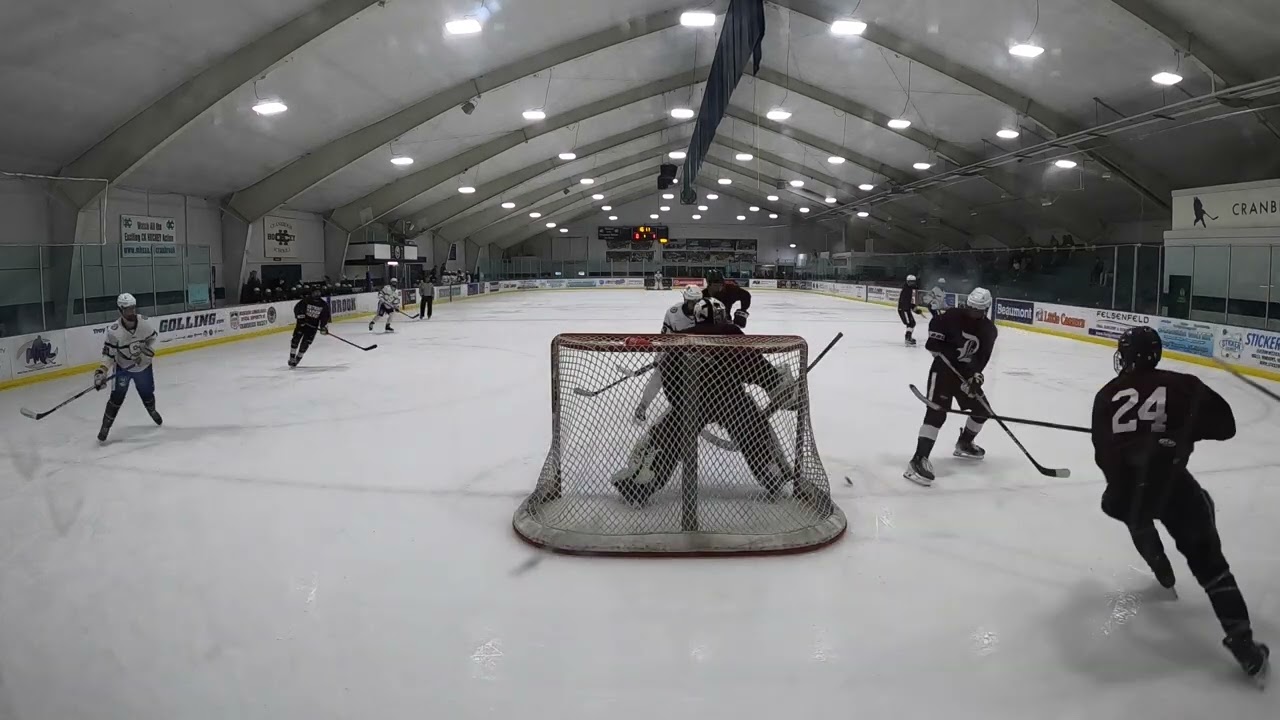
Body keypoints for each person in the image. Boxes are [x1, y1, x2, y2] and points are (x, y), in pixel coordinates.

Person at [1091, 326, 1269, 683]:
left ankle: (1161, 568)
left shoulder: (1107, 395)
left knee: (1133, 512)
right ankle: (1243, 644)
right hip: (1172, 485)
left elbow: (1103, 456)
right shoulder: (1184, 385)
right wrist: (1184, 430)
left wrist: (1129, 475)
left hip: (1127, 490)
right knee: (1211, 563)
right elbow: (1226, 426)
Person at [611, 297, 799, 506]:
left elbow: (669, 380)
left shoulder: (680, 338)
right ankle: (775, 476)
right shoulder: (731, 334)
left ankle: (639, 485)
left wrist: (681, 406)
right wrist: (777, 385)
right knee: (756, 433)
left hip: (692, 404)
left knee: (664, 438)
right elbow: (757, 369)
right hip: (731, 401)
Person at [904, 287, 996, 486]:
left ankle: (965, 443)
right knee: (937, 412)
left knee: (982, 410)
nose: (973, 313)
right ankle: (918, 460)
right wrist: (935, 343)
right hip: (944, 372)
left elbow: (981, 360)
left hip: (964, 376)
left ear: (986, 310)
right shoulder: (952, 316)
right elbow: (935, 330)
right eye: (971, 308)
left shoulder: (989, 330)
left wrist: (975, 378)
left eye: (977, 311)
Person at [94, 293, 161, 443]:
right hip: (123, 368)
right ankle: (105, 426)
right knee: (116, 398)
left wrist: (145, 352)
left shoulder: (145, 323)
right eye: (127, 310)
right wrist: (101, 371)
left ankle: (152, 410)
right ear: (120, 310)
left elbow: (153, 339)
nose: (131, 313)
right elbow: (108, 354)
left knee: (147, 394)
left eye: (133, 309)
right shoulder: (114, 331)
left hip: (143, 368)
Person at [634, 285, 702, 421]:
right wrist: (659, 357)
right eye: (691, 302)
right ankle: (642, 406)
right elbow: (664, 337)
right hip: (674, 353)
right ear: (685, 299)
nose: (694, 306)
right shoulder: (673, 313)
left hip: (697, 354)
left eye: (697, 302)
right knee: (658, 376)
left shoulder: (704, 312)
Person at [289, 287, 332, 368]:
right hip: (302, 324)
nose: (317, 294)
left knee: (305, 343)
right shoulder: (306, 300)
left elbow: (325, 317)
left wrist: (323, 326)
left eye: (318, 292)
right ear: (312, 293)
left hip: (312, 327)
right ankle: (292, 357)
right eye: (315, 292)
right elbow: (297, 308)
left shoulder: (323, 304)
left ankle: (298, 359)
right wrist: (300, 317)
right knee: (295, 340)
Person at [898, 274, 922, 345]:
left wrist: (913, 307)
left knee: (912, 323)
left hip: (906, 309)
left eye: (913, 282)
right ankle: (908, 338)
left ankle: (908, 337)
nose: (912, 283)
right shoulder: (906, 290)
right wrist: (913, 308)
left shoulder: (909, 289)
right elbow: (904, 302)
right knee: (910, 323)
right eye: (911, 282)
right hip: (904, 309)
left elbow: (908, 302)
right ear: (907, 282)